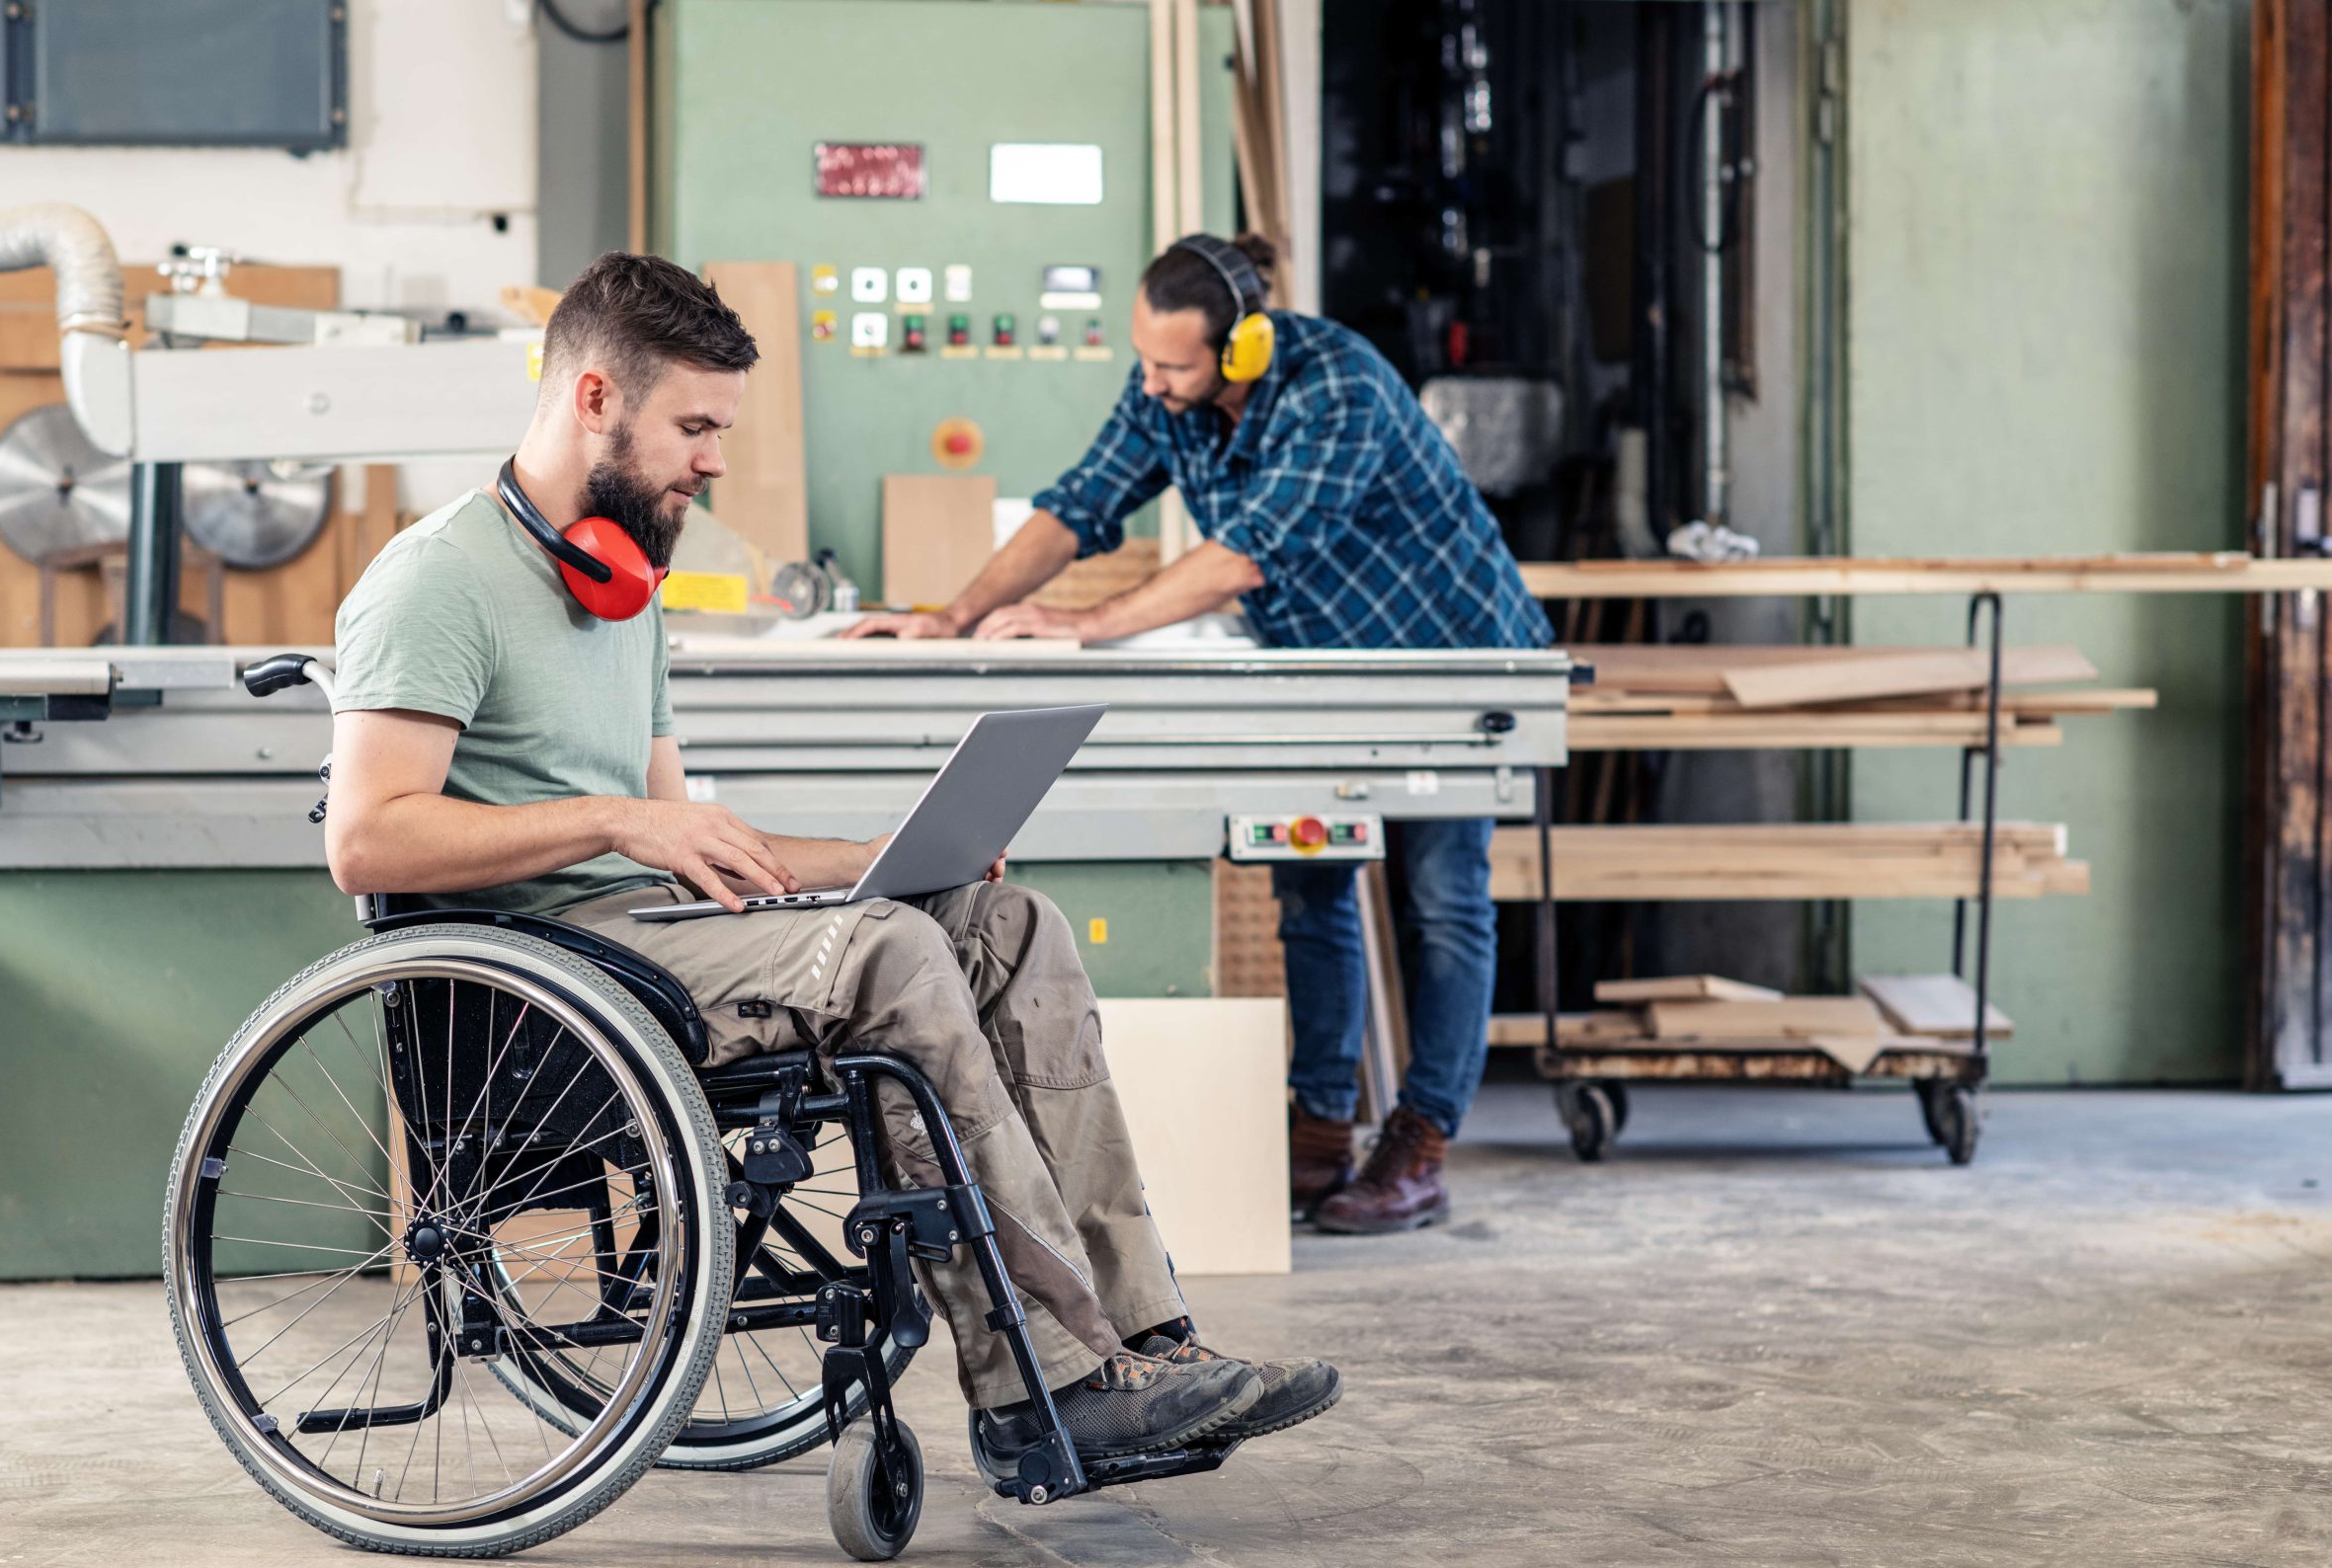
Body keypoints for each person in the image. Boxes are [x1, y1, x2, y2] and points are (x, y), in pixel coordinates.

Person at [325, 252, 1340, 1482]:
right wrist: (614, 823)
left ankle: (1145, 1341)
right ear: (594, 398)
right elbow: (368, 837)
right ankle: (1045, 1387)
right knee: (895, 954)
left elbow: (685, 837)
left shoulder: (621, 588)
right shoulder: (437, 579)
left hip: (655, 934)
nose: (711, 459)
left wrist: (877, 858)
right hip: (545, 976)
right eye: (692, 427)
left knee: (1004, 924)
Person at [845, 233, 1553, 1235]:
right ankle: (1318, 1132)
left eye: (1174, 364)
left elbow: (1241, 557)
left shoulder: (1334, 386)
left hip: (1443, 659)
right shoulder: (1165, 393)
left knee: (1442, 901)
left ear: (1245, 348)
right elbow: (1077, 505)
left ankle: (1420, 1144)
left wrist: (1083, 623)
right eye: (1144, 358)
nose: (1152, 382)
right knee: (1309, 890)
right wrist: (952, 615)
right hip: (1318, 671)